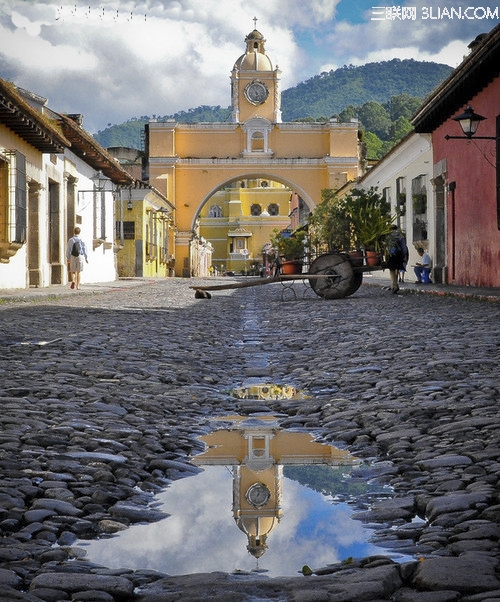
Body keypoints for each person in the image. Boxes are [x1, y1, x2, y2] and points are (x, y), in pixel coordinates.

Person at [385, 225, 408, 294]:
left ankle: (394, 285)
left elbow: (386, 246)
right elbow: (404, 247)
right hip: (399, 255)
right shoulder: (400, 236)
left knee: (392, 270)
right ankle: (395, 284)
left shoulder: (388, 237)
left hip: (391, 255)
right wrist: (405, 255)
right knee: (397, 269)